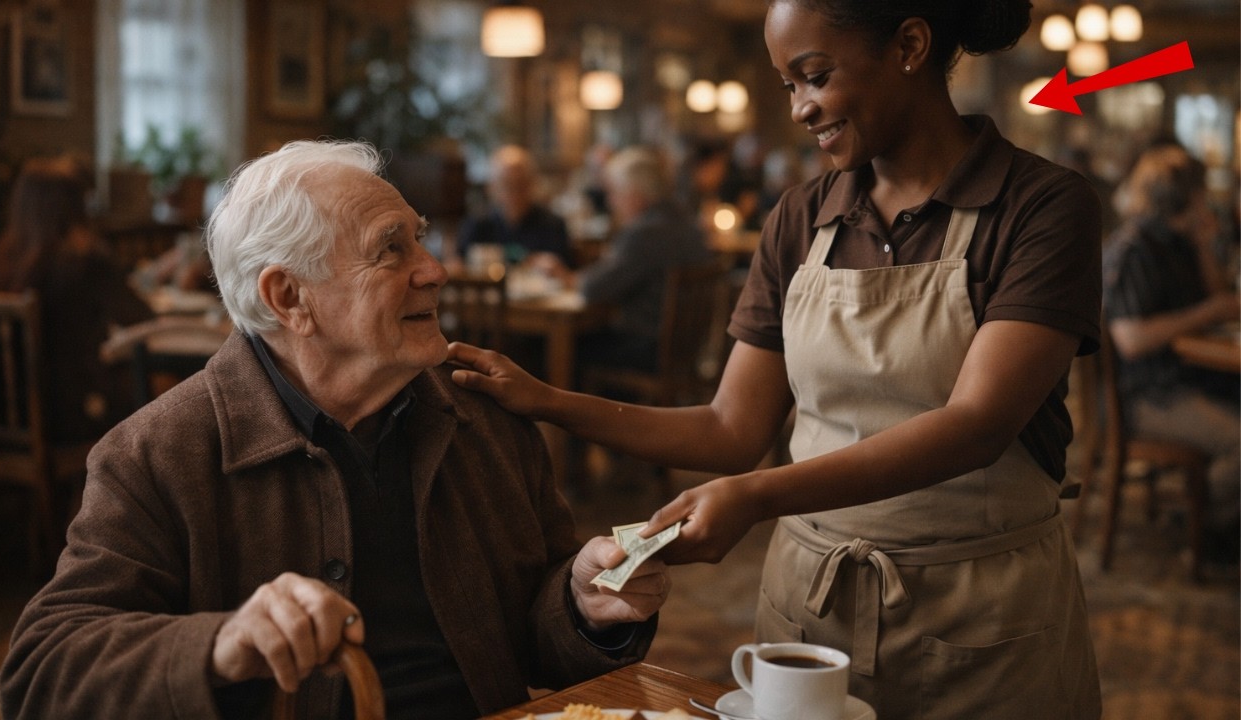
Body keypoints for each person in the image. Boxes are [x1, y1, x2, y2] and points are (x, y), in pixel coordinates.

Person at [448, 1, 1104, 717]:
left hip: (986, 616)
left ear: (910, 44)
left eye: (814, 76)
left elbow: (979, 422)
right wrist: (545, 399)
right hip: (812, 610)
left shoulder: (1041, 207)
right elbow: (731, 428)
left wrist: (759, 495)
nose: (798, 108)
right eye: (787, 85)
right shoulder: (800, 218)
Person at [0, 140, 670, 720]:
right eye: (392, 249)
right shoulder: (158, 454)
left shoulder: (487, 420)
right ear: (290, 298)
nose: (434, 269)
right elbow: (40, 676)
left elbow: (535, 634)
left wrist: (583, 605)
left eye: (421, 237)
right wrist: (219, 646)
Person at [1103, 143, 1240, 559]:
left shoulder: (1178, 241)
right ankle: (1201, 521)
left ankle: (1212, 518)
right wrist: (1204, 313)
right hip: (1148, 394)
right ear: (1180, 197)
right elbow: (1131, 340)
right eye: (1199, 191)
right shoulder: (1134, 249)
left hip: (1190, 378)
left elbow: (1219, 299)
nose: (1206, 199)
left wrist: (1203, 244)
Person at [0, 156, 154, 441]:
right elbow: (142, 319)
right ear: (74, 209)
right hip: (71, 415)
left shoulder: (1, 260)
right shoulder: (84, 262)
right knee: (167, 389)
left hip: (3, 411)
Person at [533, 146, 712, 374]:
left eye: (615, 193)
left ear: (635, 195)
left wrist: (564, 276)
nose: (611, 202)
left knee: (548, 348)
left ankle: (577, 410)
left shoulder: (645, 233)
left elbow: (594, 288)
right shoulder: (686, 221)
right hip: (685, 348)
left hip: (649, 346)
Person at [457, 144, 573, 268]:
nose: (514, 194)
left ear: (532, 184)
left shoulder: (553, 225)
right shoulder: (477, 224)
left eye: (521, 184)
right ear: (492, 188)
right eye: (506, 185)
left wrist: (555, 268)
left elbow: (569, 276)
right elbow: (458, 266)